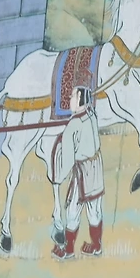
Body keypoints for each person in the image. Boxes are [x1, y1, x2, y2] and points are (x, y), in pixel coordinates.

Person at [51, 86, 104, 260]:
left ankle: (68, 250)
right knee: (95, 209)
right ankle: (96, 245)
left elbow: (67, 160)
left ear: (80, 98)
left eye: (73, 96)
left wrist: (58, 179)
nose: (70, 99)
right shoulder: (92, 115)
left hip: (82, 173)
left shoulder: (73, 125)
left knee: (73, 210)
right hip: (96, 168)